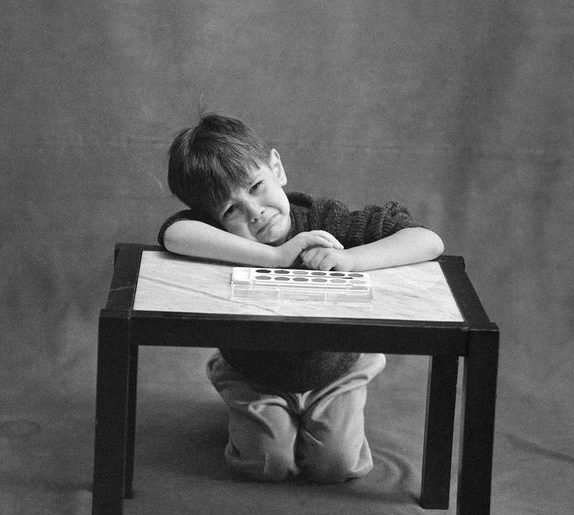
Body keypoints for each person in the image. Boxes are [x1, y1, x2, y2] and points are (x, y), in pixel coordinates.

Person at [158, 113, 444, 484]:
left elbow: (427, 240)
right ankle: (232, 380)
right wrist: (276, 257)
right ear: (215, 219)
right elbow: (174, 233)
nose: (255, 212)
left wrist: (352, 260)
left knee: (335, 466)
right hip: (255, 373)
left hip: (334, 369)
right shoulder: (221, 238)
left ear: (276, 168)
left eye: (256, 186)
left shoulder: (325, 219)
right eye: (231, 210)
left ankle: (354, 374)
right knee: (268, 465)